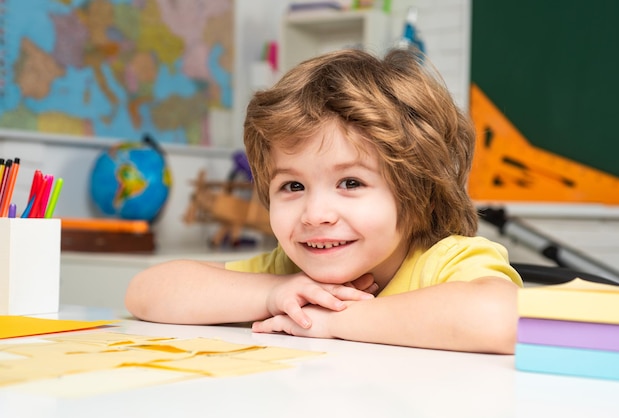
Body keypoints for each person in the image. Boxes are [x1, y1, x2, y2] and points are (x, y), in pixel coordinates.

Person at [125, 48, 523, 354]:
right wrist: (270, 293)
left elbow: (503, 319)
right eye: (292, 187)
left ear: (417, 190)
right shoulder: (290, 271)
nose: (315, 215)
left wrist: (339, 319)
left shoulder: (446, 261)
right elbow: (145, 292)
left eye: (350, 182)